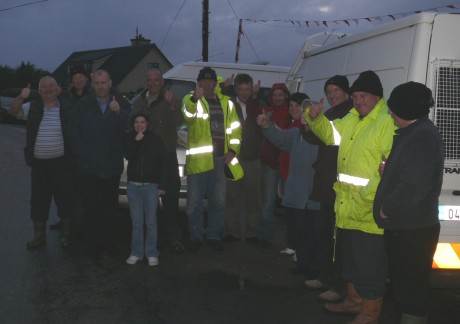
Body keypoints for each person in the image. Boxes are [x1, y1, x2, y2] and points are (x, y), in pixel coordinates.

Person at [305, 70, 397, 323]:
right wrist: (314, 119)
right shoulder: (352, 118)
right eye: (355, 96)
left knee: (371, 266)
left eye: (363, 96)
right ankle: (354, 300)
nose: (358, 101)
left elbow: (390, 169)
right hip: (346, 206)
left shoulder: (386, 123)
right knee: (352, 261)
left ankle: (370, 312)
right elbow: (330, 135)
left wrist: (370, 198)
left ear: (377, 97)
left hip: (369, 210)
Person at [374, 82, 443, 324]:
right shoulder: (418, 132)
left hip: (410, 231)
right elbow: (413, 175)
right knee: (407, 288)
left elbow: (415, 186)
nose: (389, 112)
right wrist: (390, 173)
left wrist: (386, 207)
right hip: (410, 228)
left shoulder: (419, 138)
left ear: (406, 109)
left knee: (410, 292)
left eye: (393, 108)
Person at [258, 92, 321, 279]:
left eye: (309, 109)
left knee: (313, 233)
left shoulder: (323, 134)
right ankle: (303, 264)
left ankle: (315, 268)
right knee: (300, 232)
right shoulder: (297, 133)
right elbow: (280, 138)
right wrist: (266, 126)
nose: (306, 113)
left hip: (315, 194)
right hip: (298, 193)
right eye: (304, 110)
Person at [303, 75, 354, 303]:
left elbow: (325, 136)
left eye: (336, 90)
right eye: (329, 91)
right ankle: (326, 277)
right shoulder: (332, 113)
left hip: (340, 187)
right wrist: (309, 120)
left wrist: (313, 120)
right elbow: (316, 137)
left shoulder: (349, 113)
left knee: (338, 240)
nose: (332, 95)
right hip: (327, 183)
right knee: (326, 235)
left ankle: (338, 285)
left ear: (347, 92)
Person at [8, 76, 75, 249]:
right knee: (39, 202)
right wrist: (21, 97)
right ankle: (39, 237)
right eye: (44, 87)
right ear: (39, 90)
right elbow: (12, 112)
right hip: (39, 165)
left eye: (51, 86)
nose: (48, 89)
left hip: (62, 163)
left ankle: (66, 236)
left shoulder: (68, 106)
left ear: (58, 88)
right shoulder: (33, 106)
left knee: (65, 199)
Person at [70, 69, 130, 256]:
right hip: (89, 167)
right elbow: (73, 132)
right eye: (97, 83)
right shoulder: (83, 105)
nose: (100, 86)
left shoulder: (121, 103)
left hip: (111, 166)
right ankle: (91, 243)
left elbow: (131, 127)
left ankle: (108, 242)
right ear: (92, 85)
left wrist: (119, 113)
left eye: (103, 83)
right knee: (90, 207)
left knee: (109, 208)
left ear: (110, 83)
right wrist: (82, 155)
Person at [182, 67, 242, 252]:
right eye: (204, 80)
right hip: (199, 162)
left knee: (218, 201)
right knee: (194, 203)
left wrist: (233, 150)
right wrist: (195, 99)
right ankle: (196, 235)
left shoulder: (227, 103)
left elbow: (235, 130)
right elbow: (188, 116)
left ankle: (214, 235)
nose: (207, 84)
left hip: (220, 160)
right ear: (199, 82)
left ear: (215, 83)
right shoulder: (190, 98)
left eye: (211, 81)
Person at [131, 68, 185, 253]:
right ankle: (154, 238)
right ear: (146, 82)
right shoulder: (140, 101)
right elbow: (132, 125)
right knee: (150, 200)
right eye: (150, 80)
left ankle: (173, 237)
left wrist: (171, 105)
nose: (153, 83)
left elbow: (179, 120)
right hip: (147, 157)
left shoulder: (171, 98)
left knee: (171, 199)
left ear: (162, 82)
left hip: (168, 156)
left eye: (156, 80)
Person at [220, 73, 265, 243]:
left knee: (254, 199)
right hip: (233, 160)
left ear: (252, 88)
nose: (244, 93)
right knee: (232, 198)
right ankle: (233, 232)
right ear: (236, 89)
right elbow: (215, 98)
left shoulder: (259, 105)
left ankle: (253, 233)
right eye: (241, 89)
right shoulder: (229, 104)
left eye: (247, 89)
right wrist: (223, 86)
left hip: (254, 160)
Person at [124, 110, 168, 266]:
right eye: (136, 122)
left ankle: (151, 253)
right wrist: (136, 141)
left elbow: (163, 163)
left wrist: (162, 185)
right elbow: (129, 155)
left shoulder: (155, 139)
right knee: (136, 222)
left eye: (142, 122)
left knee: (151, 221)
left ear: (147, 123)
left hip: (151, 186)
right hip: (133, 186)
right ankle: (136, 252)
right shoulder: (130, 137)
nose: (139, 125)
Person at [49, 64, 90, 231]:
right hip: (66, 151)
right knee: (64, 189)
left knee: (84, 191)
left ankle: (81, 224)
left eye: (81, 77)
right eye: (75, 78)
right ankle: (65, 219)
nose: (78, 80)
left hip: (87, 152)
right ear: (71, 81)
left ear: (87, 79)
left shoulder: (94, 97)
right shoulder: (64, 98)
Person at [258, 83, 291, 246]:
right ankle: (265, 237)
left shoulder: (291, 112)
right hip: (270, 163)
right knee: (267, 203)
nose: (278, 98)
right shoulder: (267, 112)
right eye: (275, 95)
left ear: (285, 95)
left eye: (281, 94)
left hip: (287, 164)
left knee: (290, 204)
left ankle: (291, 241)